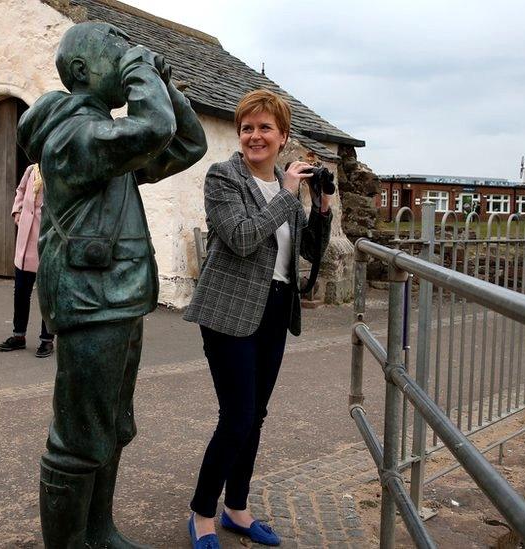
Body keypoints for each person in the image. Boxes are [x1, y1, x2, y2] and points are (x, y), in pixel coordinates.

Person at [16, 22, 207, 548]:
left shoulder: (106, 140)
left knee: (113, 426)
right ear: (81, 72)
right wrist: (142, 70)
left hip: (116, 298)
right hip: (89, 300)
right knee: (78, 438)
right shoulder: (75, 136)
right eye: (116, 52)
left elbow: (187, 143)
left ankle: (98, 532)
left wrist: (162, 83)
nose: (128, 57)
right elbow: (152, 131)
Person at [183, 89, 332, 548]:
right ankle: (202, 513)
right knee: (238, 415)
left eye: (265, 128)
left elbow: (308, 251)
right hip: (228, 310)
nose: (255, 136)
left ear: (283, 136)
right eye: (247, 127)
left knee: (257, 415)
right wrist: (288, 194)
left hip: (275, 309)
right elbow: (243, 238)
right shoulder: (223, 178)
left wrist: (322, 205)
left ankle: (237, 509)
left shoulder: (288, 189)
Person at [0, 163, 54, 358]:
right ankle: (18, 336)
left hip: (46, 241)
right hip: (24, 242)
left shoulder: (57, 167)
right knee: (21, 291)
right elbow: (20, 191)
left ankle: (47, 340)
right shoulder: (31, 170)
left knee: (47, 295)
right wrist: (17, 212)